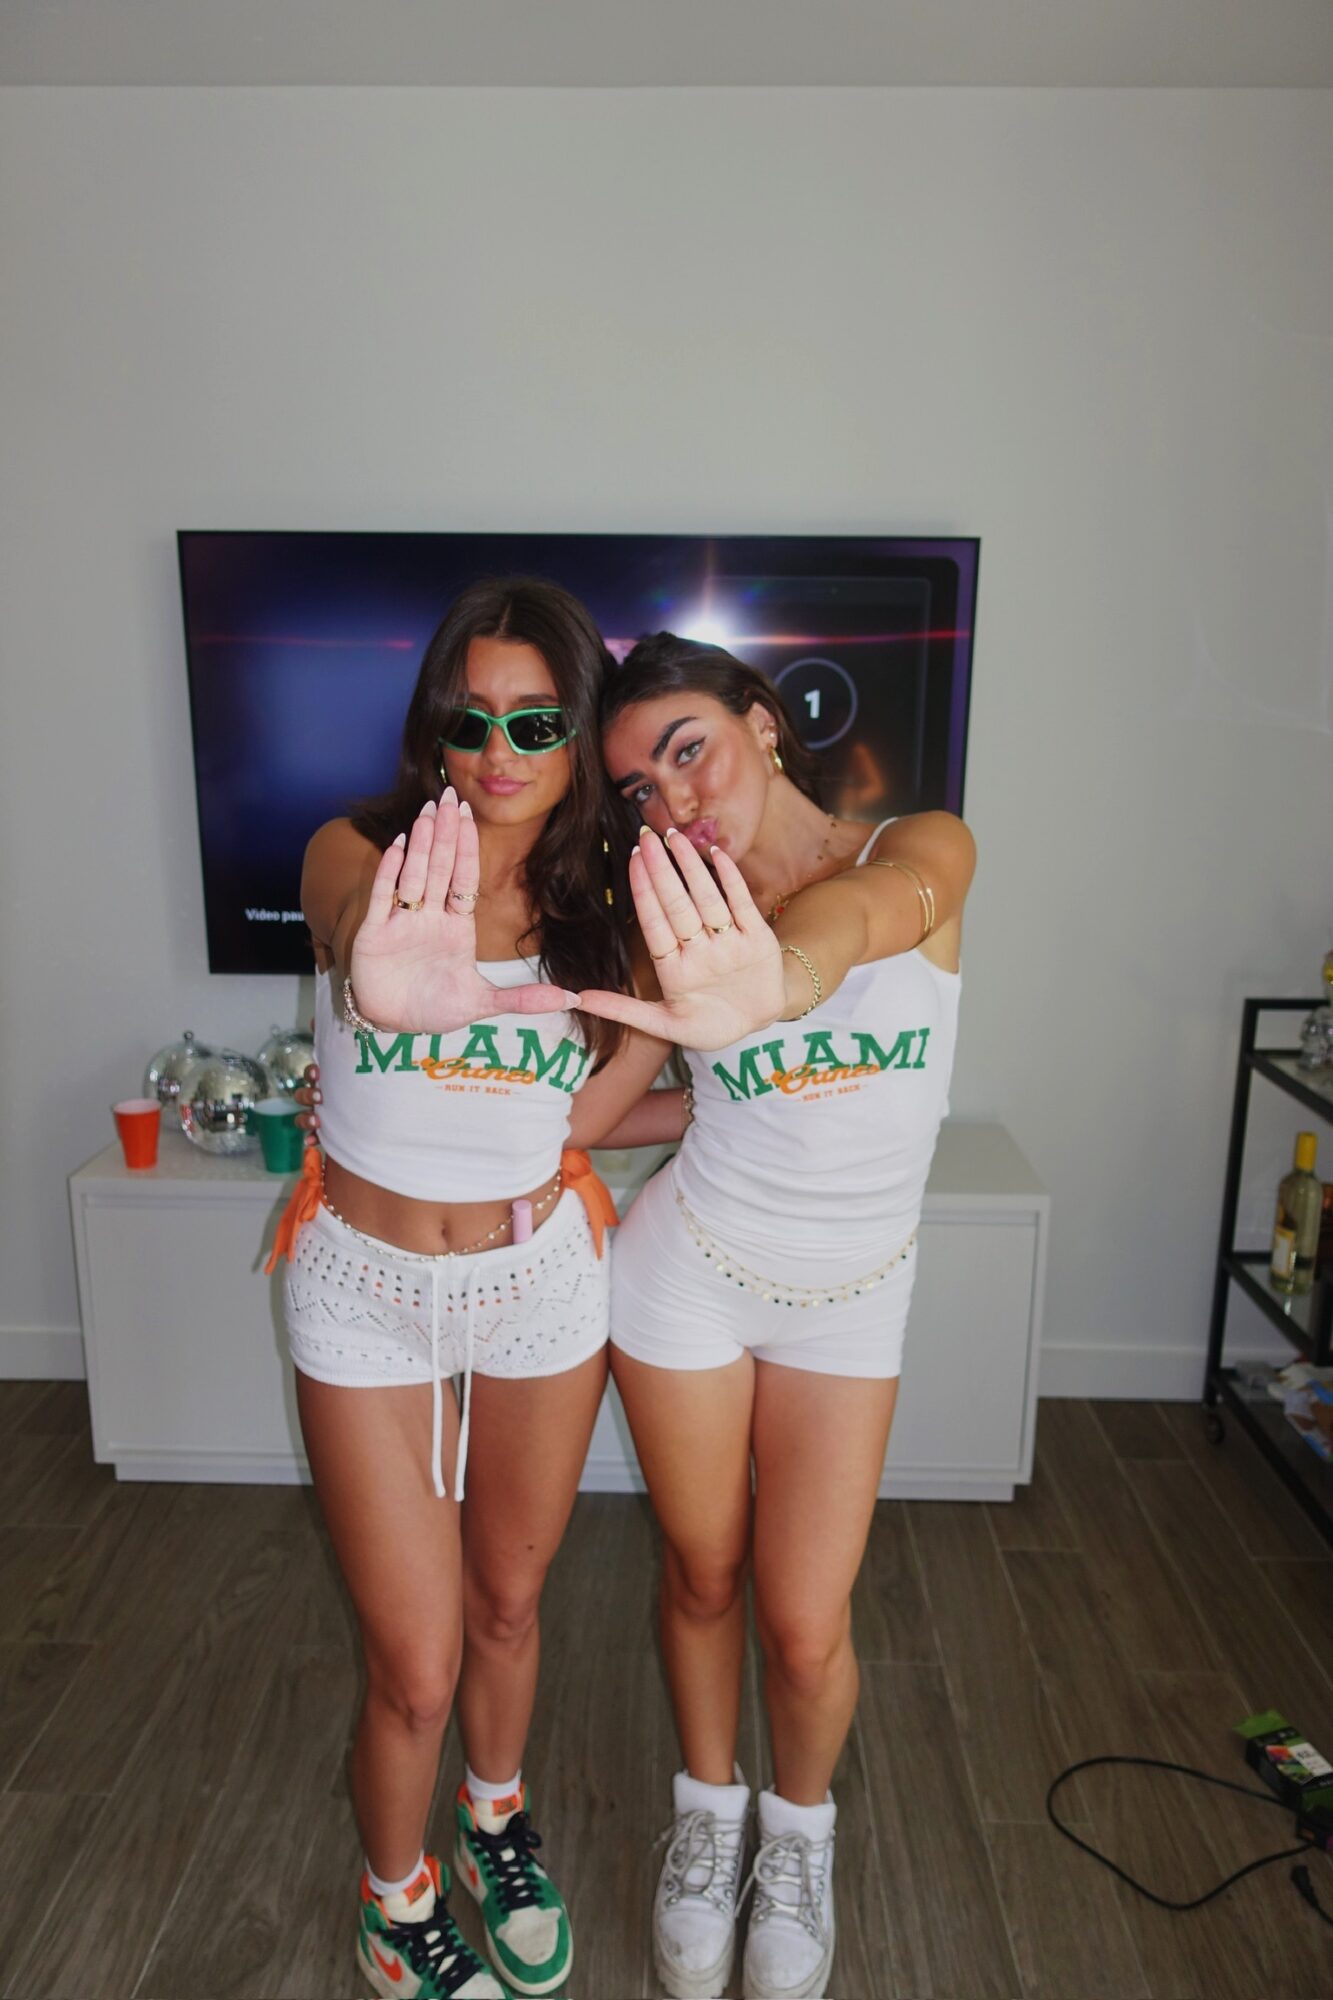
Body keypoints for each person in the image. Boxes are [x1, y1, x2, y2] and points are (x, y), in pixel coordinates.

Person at [270, 578, 672, 2000]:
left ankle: (494, 1819)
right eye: (471, 716)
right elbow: (342, 920)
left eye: (537, 721)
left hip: (534, 1282)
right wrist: (379, 961)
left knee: (507, 1604)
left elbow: (598, 1105)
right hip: (362, 1285)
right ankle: (397, 1899)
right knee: (417, 1663)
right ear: (434, 724)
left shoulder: (611, 908)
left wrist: (663, 1068)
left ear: (579, 734)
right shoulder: (354, 854)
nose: (500, 750)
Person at [577, 633, 976, 2000]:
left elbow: (864, 919)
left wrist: (774, 987)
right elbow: (616, 1114)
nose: (672, 797)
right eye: (639, 787)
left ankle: (799, 1838)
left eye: (686, 747)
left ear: (760, 719)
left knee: (806, 1624)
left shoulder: (919, 847)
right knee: (703, 1575)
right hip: (687, 1276)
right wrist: (657, 1035)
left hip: (851, 1302)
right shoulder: (677, 917)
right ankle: (708, 1816)